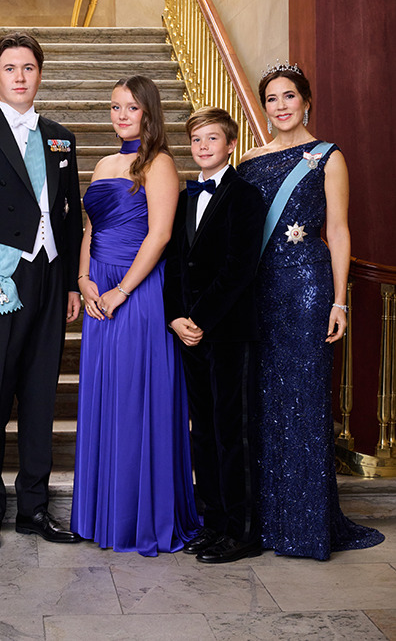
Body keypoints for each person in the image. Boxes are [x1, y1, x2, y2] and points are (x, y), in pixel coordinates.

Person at [238, 63, 384, 560]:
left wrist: (339, 299)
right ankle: (264, 519)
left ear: (306, 102)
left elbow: (338, 230)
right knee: (260, 401)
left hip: (305, 290)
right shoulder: (250, 159)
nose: (280, 106)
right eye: (272, 99)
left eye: (289, 97)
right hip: (257, 293)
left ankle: (304, 525)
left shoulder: (327, 157)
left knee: (302, 399)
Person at [0, 31, 83, 553]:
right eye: (10, 68)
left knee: (41, 398)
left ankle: (33, 509)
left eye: (28, 67)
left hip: (49, 277)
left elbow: (69, 219)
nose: (20, 76)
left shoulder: (60, 137)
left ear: (40, 74)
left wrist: (70, 281)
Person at [72, 76, 200, 556]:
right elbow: (91, 226)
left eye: (131, 108)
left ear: (149, 112)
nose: (121, 115)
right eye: (114, 107)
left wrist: (122, 290)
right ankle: (103, 513)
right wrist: (84, 280)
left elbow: (161, 235)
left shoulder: (160, 162)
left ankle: (137, 517)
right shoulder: (104, 162)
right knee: (106, 395)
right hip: (98, 288)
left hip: (138, 291)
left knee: (134, 397)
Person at [164, 107, 266, 563]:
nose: (203, 147)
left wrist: (200, 317)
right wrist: (175, 317)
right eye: (196, 140)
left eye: (211, 139)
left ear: (230, 145)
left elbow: (238, 269)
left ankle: (242, 530)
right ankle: (213, 522)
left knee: (232, 431)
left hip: (226, 332)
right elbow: (174, 264)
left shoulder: (246, 195)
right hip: (188, 332)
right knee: (201, 431)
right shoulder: (186, 197)